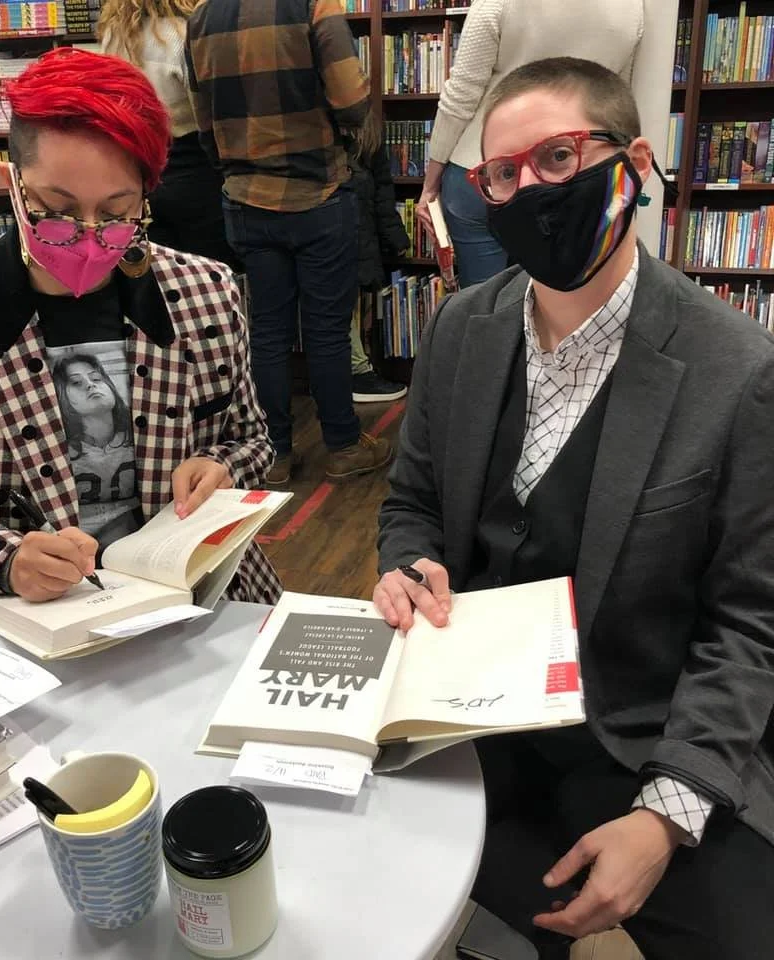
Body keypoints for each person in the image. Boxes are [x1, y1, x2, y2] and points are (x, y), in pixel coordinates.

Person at [375, 57, 774, 960]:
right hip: (468, 717)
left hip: (636, 732)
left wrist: (666, 816)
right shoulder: (459, 328)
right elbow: (413, 503)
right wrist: (408, 564)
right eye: (502, 175)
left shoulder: (737, 370)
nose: (528, 192)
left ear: (632, 164)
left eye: (557, 159)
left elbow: (752, 621)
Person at [0, 48, 282, 666]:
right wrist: (7, 560)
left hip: (195, 603)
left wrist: (221, 469)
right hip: (9, 624)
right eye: (58, 211)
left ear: (146, 199)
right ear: (14, 186)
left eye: (118, 215)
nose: (88, 238)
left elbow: (252, 441)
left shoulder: (203, 291)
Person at [185, 0, 393, 485]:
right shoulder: (314, 4)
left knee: (268, 330)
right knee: (326, 329)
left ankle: (274, 453)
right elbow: (351, 102)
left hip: (245, 197)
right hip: (316, 193)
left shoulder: (202, 14)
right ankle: (342, 446)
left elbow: (202, 120)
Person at [418, 0, 668, 289]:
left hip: (485, 170)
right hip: (574, 171)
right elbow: (616, 102)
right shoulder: (631, 10)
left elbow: (460, 96)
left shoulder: (497, 3)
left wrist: (431, 183)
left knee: (484, 303)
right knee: (565, 293)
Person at [98, 0, 237, 268]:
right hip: (193, 170)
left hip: (136, 172)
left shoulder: (115, 35)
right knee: (207, 274)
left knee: (158, 277)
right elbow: (209, 111)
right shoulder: (186, 33)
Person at [343, 111, 410, 404]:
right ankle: (356, 372)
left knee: (346, 307)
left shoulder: (368, 140)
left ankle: (357, 371)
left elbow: (383, 193)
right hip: (335, 237)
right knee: (338, 308)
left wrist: (395, 237)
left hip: (355, 237)